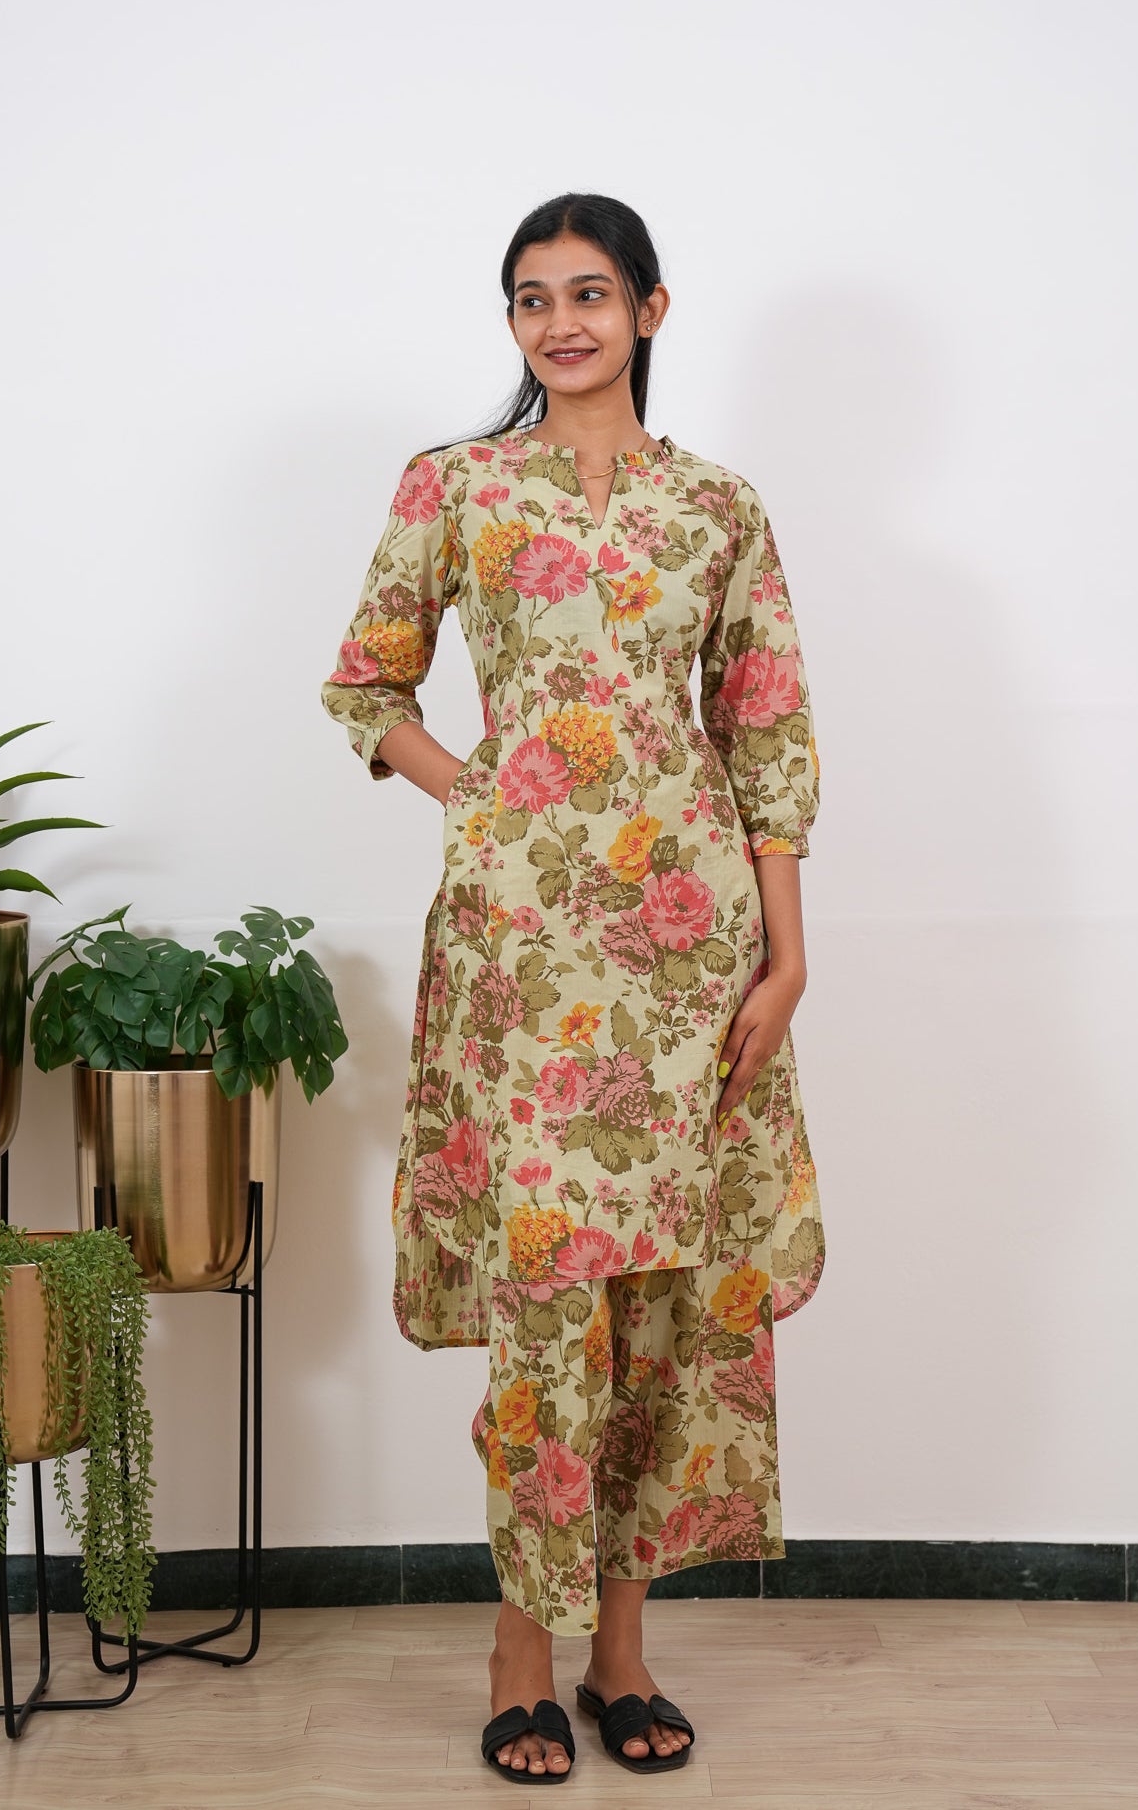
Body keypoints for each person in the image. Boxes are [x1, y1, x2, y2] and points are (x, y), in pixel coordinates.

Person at [321, 192, 827, 1785]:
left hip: (689, 948)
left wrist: (786, 950)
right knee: (551, 1293)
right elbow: (364, 680)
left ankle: (620, 1654)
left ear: (649, 311)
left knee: (662, 1304)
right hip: (523, 948)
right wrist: (478, 795)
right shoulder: (456, 486)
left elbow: (763, 728)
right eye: (531, 298)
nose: (560, 323)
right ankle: (517, 1653)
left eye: (590, 293)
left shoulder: (716, 506)